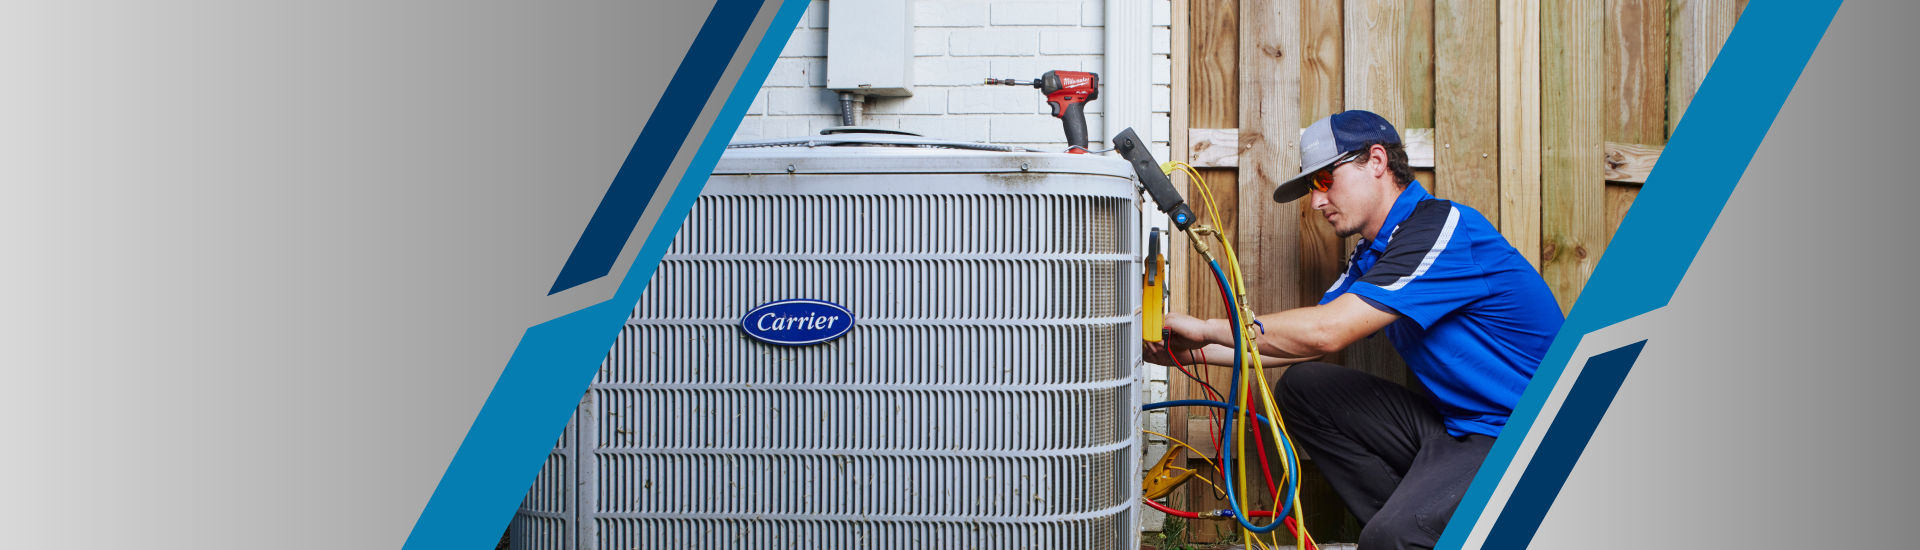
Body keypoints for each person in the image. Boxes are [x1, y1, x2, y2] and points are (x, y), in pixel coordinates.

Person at [1153, 110, 1564, 549]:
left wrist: (1210, 326)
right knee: (1306, 387)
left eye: (1325, 180)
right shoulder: (1374, 253)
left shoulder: (1441, 230)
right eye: (1312, 187)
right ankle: (1415, 530)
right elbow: (1300, 346)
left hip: (1531, 438)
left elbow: (1327, 332)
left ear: (1377, 161)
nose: (1315, 201)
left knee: (1391, 537)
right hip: (1464, 429)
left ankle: (1405, 534)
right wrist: (1186, 353)